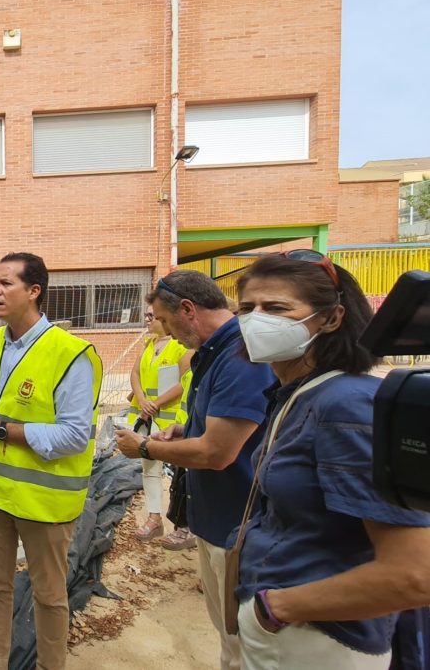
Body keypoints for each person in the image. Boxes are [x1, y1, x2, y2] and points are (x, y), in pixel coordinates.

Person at [229, 252, 430, 669]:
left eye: (276, 308)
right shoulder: (298, 394)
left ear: (332, 318)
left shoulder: (346, 405)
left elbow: (414, 574)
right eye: (247, 308)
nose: (255, 320)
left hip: (316, 637)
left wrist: (277, 608)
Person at [0, 253, 102, 670]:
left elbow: (74, 436)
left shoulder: (72, 354)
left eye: (6, 283)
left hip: (44, 504)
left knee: (49, 596)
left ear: (34, 291)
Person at [114, 269, 275, 670]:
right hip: (217, 520)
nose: (165, 330)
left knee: (242, 643)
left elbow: (218, 453)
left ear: (188, 309)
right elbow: (227, 425)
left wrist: (145, 446)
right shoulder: (214, 352)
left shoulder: (240, 358)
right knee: (229, 636)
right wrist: (187, 429)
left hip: (237, 526)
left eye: (165, 320)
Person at [126, 304, 193, 543]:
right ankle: (154, 518)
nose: (147, 320)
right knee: (150, 469)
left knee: (182, 472)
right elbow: (135, 374)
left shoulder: (181, 346)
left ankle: (185, 526)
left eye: (151, 316)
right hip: (147, 418)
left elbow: (185, 382)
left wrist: (154, 403)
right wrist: (142, 400)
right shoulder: (149, 345)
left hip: (171, 420)